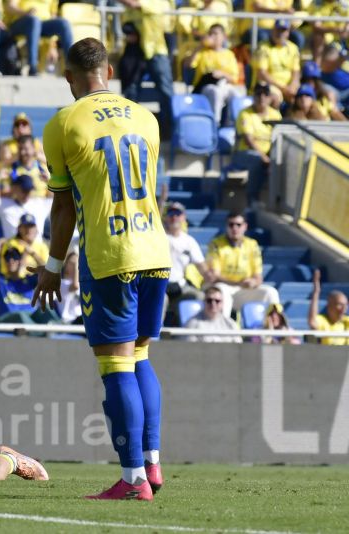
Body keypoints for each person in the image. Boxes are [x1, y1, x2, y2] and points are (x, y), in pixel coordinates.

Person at [33, 38, 171, 500]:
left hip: (111, 255)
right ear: (108, 71)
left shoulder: (63, 123)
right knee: (142, 357)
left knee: (116, 366)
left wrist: (52, 267)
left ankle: (132, 480)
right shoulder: (146, 117)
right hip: (155, 249)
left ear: (69, 77)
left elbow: (64, 209)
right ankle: (151, 467)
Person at [206, 212, 280, 317]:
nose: (234, 228)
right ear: (226, 226)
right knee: (220, 290)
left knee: (271, 292)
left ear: (245, 226)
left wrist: (254, 282)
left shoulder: (252, 245)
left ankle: (275, 328)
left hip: (244, 291)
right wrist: (238, 283)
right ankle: (223, 331)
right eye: (231, 224)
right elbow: (215, 277)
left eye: (238, 225)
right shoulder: (215, 244)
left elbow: (258, 277)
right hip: (226, 288)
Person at [117, 0, 174, 133]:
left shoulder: (159, 2)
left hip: (155, 51)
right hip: (135, 51)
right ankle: (130, 127)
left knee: (166, 90)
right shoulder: (129, 8)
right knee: (130, 88)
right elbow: (127, 22)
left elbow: (134, 4)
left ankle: (168, 127)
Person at [185, 24, 244, 125]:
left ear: (224, 37)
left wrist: (222, 74)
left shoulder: (229, 54)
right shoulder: (202, 51)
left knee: (235, 94)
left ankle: (231, 125)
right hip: (205, 86)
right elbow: (188, 65)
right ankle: (214, 124)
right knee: (216, 92)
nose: (212, 36)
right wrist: (200, 46)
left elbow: (235, 79)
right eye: (210, 34)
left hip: (224, 85)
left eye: (216, 33)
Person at [232, 83, 282, 201]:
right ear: (253, 96)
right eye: (258, 94)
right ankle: (252, 198)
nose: (262, 97)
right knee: (257, 160)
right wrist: (264, 157)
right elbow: (249, 140)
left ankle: (279, 199)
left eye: (266, 94)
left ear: (270, 97)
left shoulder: (275, 114)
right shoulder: (245, 114)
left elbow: (280, 137)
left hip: (269, 153)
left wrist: (270, 156)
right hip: (244, 152)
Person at [164, 202, 210, 325]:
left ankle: (192, 333)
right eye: (171, 213)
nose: (174, 217)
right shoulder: (158, 236)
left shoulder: (189, 241)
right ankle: (151, 337)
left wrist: (210, 279)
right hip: (161, 285)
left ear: (183, 217)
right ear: (166, 217)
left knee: (199, 297)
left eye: (178, 214)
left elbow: (202, 267)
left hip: (180, 287)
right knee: (160, 300)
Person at [3, 0, 73, 75]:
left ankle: (73, 68)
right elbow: (10, 6)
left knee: (64, 23)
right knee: (34, 21)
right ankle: (32, 67)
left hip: (43, 25)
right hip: (20, 22)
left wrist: (52, 46)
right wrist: (26, 13)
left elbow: (53, 16)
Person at [253, 20, 300, 108]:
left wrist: (293, 86)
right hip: (269, 86)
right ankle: (274, 120)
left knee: (304, 97)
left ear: (288, 32)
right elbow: (262, 74)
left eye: (283, 31)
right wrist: (283, 88)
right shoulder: (263, 48)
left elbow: (296, 72)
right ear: (273, 31)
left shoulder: (293, 48)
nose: (280, 34)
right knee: (274, 97)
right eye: (278, 30)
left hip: (288, 87)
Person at [308, 269, 349, 346]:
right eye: (339, 304)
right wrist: (316, 292)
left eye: (346, 305)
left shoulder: (346, 321)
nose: (343, 308)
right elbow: (312, 322)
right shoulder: (323, 320)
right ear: (329, 306)